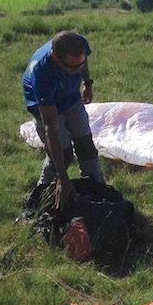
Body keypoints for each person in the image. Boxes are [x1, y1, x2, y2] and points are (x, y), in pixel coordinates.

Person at [23, 30, 105, 210]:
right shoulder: (42, 73)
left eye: (79, 65)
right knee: (62, 154)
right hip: (47, 106)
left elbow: (82, 63)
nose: (75, 72)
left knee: (86, 147)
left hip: (71, 99)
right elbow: (51, 128)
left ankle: (98, 191)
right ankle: (39, 200)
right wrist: (62, 176)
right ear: (55, 57)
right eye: (70, 68)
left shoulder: (78, 44)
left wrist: (88, 84)